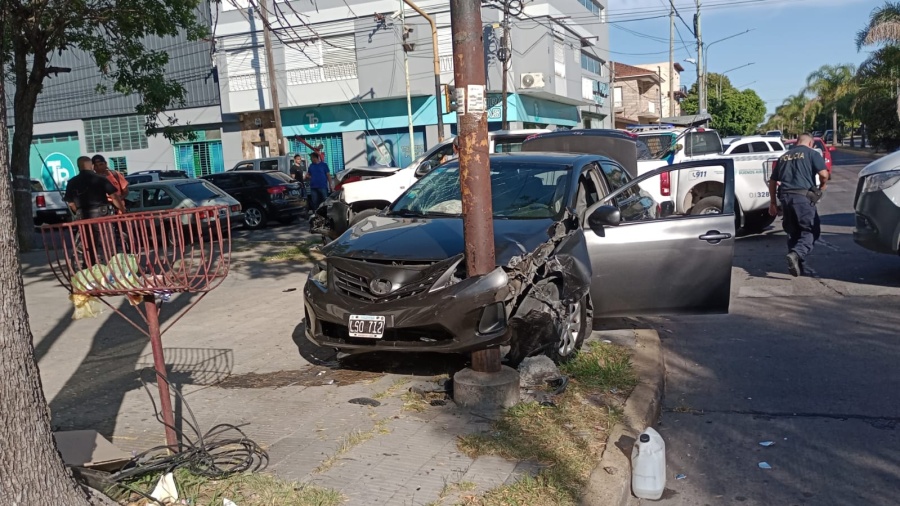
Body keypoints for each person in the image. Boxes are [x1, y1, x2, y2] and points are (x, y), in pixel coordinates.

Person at [768, 133, 829, 277]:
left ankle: (796, 264)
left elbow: (772, 181)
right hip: (802, 198)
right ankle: (796, 254)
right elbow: (824, 175)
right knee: (811, 230)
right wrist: (823, 186)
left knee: (793, 232)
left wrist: (772, 203)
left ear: (797, 143)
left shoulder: (783, 157)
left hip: (785, 197)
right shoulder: (811, 154)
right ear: (810, 144)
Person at [64, 156, 126, 268]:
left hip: (83, 217)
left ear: (78, 167)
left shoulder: (72, 182)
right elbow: (114, 197)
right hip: (102, 216)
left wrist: (79, 212)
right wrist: (123, 210)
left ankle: (90, 269)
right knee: (108, 245)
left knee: (87, 246)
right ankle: (111, 270)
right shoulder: (100, 179)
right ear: (91, 166)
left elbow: (71, 204)